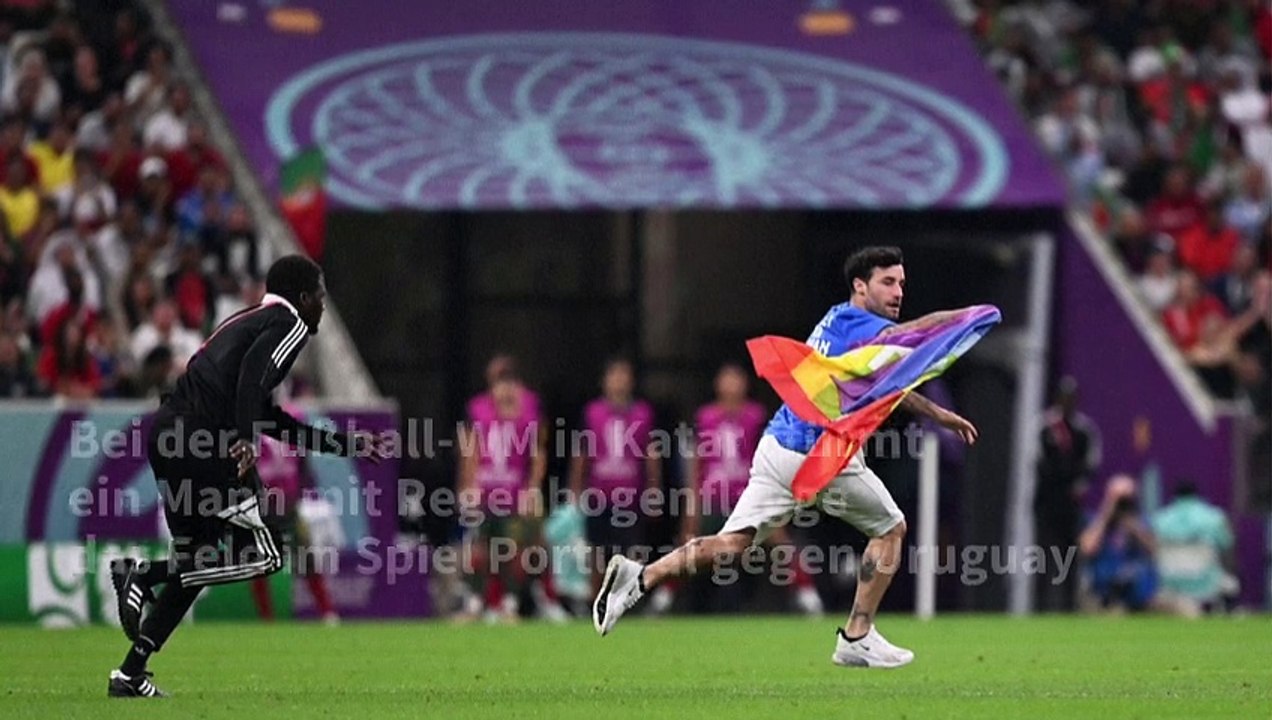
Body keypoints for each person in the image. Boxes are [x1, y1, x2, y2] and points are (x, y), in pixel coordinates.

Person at [592, 246, 979, 669]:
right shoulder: (862, 324)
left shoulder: (836, 319)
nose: (898, 291)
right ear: (859, 286)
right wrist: (963, 317)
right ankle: (857, 635)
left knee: (732, 543)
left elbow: (888, 383)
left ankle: (641, 577)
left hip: (778, 446)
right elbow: (909, 336)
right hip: (818, 453)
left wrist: (938, 414)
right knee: (891, 529)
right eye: (888, 282)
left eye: (902, 283)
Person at [105, 255, 385, 698]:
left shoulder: (248, 320)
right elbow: (253, 382)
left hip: (170, 436)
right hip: (202, 439)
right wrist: (245, 437)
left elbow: (268, 413)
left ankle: (130, 673)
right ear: (304, 297)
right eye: (321, 298)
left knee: (195, 564)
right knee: (268, 555)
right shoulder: (287, 321)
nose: (323, 309)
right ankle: (143, 574)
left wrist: (344, 445)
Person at [651, 362, 823, 616]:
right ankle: (662, 598)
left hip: (748, 496)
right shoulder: (705, 417)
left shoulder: (755, 415)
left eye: (737, 379)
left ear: (745, 384)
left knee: (779, 541)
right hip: (713, 497)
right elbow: (697, 463)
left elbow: (767, 455)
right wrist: (692, 505)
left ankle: (808, 596)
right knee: (690, 546)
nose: (731, 385)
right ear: (717, 384)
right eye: (726, 379)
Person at [457, 364, 552, 622]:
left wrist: (531, 489)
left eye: (510, 386)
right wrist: (469, 485)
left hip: (513, 494)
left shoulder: (528, 418)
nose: (505, 392)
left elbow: (538, 455)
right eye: (500, 386)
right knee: (479, 550)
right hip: (486, 493)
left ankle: (510, 605)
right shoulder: (480, 413)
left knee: (514, 550)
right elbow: (471, 451)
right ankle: (475, 604)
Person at [567, 357, 660, 586]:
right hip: (599, 495)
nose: (619, 381)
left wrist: (654, 489)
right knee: (597, 551)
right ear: (604, 381)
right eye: (614, 376)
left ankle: (632, 595)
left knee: (632, 550)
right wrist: (574, 490)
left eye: (624, 376)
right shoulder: (593, 412)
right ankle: (595, 600)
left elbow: (651, 454)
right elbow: (582, 453)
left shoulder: (642, 413)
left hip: (630, 496)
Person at [1033, 376, 1101, 612]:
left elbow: (1091, 465)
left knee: (1070, 555)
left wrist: (1076, 483)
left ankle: (1069, 606)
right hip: (1047, 502)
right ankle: (1040, 605)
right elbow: (1038, 462)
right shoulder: (1045, 427)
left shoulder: (1084, 430)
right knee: (1043, 555)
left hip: (1070, 504)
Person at [1151, 480, 1237, 615]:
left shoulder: (1160, 519)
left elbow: (1154, 549)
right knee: (1232, 584)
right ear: (1196, 495)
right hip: (1206, 581)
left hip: (1171, 582)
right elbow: (1226, 544)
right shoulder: (1213, 517)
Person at [1078, 475, 1158, 612]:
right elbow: (1087, 548)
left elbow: (1154, 549)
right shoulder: (1096, 522)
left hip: (1138, 591)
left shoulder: (1141, 522)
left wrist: (1134, 527)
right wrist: (1106, 514)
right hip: (1105, 591)